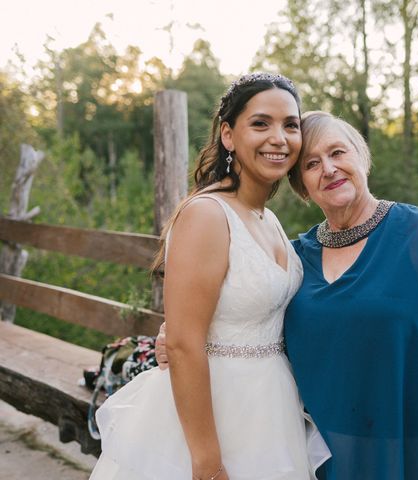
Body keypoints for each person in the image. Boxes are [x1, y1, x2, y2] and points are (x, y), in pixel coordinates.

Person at [159, 110, 418, 479]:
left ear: (362, 157)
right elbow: (251, 317)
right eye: (311, 163)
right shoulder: (295, 259)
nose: (328, 168)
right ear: (301, 185)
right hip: (327, 453)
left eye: (338, 153)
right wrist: (177, 337)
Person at [90, 73, 330, 480]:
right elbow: (184, 343)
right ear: (228, 135)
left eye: (290, 124)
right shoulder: (206, 215)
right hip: (212, 416)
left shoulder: (267, 219)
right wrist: (206, 461)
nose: (279, 137)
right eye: (260, 123)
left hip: (270, 411)